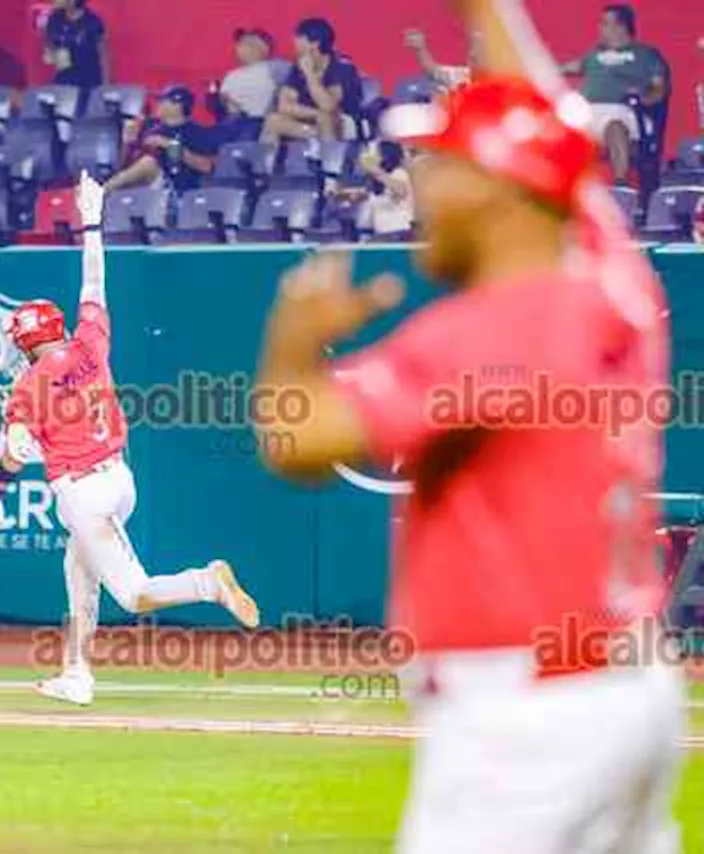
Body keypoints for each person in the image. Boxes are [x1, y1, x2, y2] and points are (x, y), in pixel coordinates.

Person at [253, 0, 684, 849]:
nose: (422, 181)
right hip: (626, 686)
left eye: (444, 164)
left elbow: (295, 440)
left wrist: (291, 342)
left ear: (498, 187)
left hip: (523, 723)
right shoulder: (612, 281)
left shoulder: (488, 333)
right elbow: (555, 138)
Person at [0, 172, 260, 707]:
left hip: (85, 494)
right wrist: (91, 222)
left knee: (133, 594)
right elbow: (94, 282)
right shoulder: (89, 342)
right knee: (77, 575)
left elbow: (12, 452)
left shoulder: (28, 383)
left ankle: (206, 583)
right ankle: (76, 674)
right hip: (119, 478)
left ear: (24, 342)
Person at [564, 5, 667, 184]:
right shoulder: (595, 54)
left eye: (604, 23)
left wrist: (647, 99)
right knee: (558, 129)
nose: (599, 28)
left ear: (620, 27)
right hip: (588, 111)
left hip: (626, 111)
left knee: (614, 127)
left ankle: (621, 183)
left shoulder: (645, 54)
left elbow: (658, 87)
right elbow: (572, 67)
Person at [103, 86, 218, 194]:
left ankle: (101, 193)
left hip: (175, 187)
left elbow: (206, 166)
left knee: (149, 163)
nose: (158, 105)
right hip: (138, 186)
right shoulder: (149, 126)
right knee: (145, 164)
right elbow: (123, 167)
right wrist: (127, 143)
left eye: (163, 101)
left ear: (177, 106)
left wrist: (169, 145)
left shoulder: (195, 131)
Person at [262, 17, 358, 143]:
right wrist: (315, 114)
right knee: (273, 120)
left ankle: (328, 160)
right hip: (310, 124)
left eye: (299, 38)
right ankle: (266, 161)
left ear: (315, 43)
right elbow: (284, 106)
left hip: (341, 123)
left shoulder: (341, 68)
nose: (294, 42)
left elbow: (328, 105)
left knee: (326, 118)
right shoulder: (297, 69)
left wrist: (310, 74)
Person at [330, 141, 414, 238]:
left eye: (375, 153)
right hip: (381, 233)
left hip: (399, 232)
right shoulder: (375, 180)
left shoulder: (398, 173)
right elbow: (367, 196)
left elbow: (400, 189)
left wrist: (374, 169)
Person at [216, 28, 277, 142]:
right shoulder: (231, 75)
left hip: (259, 122)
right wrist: (226, 102)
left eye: (246, 44)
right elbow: (222, 99)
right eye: (239, 44)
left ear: (262, 49)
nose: (238, 48)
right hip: (232, 122)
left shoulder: (275, 68)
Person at [43, 0, 108, 99]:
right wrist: (52, 55)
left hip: (89, 80)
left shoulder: (92, 20)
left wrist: (105, 86)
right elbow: (49, 50)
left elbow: (103, 54)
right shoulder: (54, 19)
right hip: (63, 81)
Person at [403, 28, 481, 93]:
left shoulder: (489, 80)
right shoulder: (462, 76)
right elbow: (432, 70)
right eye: (472, 52)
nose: (472, 54)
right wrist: (420, 48)